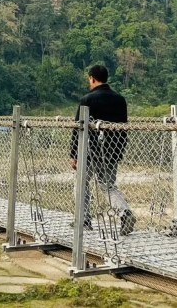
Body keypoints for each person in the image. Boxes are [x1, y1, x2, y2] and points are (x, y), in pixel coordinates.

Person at [70, 64, 134, 235]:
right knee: (108, 186)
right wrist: (118, 150)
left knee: (81, 183)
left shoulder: (87, 100)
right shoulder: (120, 99)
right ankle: (124, 211)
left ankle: (83, 220)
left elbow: (78, 128)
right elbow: (123, 127)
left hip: (89, 151)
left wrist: (74, 154)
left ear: (92, 78)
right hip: (112, 150)